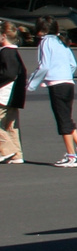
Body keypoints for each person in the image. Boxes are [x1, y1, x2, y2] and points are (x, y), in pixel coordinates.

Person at [27, 18, 77, 167]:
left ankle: (71, 156)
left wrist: (31, 84)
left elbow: (43, 66)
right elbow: (73, 64)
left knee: (62, 120)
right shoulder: (62, 42)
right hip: (68, 83)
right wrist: (64, 75)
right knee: (67, 117)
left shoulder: (45, 42)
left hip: (57, 85)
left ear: (41, 30)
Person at [0, 23, 25, 164]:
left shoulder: (6, 52)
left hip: (4, 94)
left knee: (5, 124)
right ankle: (17, 154)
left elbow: (9, 74)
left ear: (3, 36)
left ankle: (8, 150)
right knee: (11, 125)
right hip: (13, 96)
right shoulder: (14, 52)